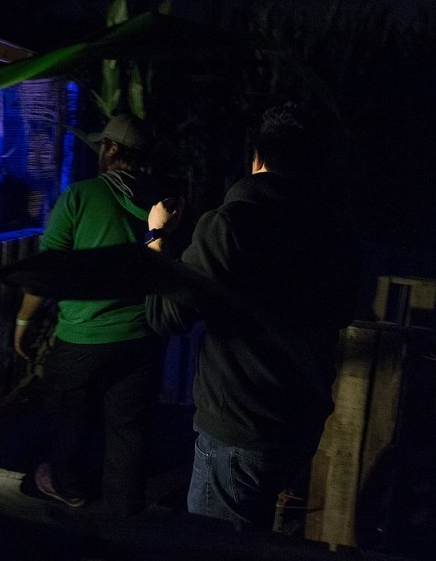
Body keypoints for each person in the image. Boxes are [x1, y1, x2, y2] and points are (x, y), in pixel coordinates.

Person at [144, 103, 360, 531]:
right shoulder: (333, 230)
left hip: (240, 430)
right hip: (298, 425)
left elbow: (164, 314)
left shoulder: (233, 223)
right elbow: (343, 308)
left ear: (257, 157)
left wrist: (157, 236)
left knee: (214, 547)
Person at [14, 113, 165, 517]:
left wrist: (23, 323)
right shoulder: (163, 200)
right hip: (141, 338)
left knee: (68, 417)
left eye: (103, 145)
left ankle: (67, 488)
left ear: (111, 150)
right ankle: (123, 513)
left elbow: (47, 273)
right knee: (127, 429)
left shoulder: (80, 196)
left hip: (84, 337)